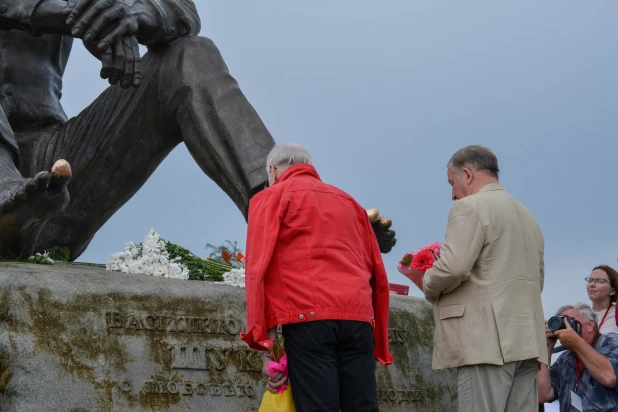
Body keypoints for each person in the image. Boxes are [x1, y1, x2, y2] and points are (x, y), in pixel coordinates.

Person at [240, 144, 393, 412]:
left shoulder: (270, 197)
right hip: (358, 318)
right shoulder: (349, 202)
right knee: (363, 406)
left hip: (309, 318)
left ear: (273, 171)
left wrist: (267, 349)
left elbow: (258, 271)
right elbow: (374, 268)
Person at [422, 145, 547, 412]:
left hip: (486, 342)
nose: (453, 194)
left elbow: (453, 268)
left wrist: (427, 280)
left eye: (452, 183)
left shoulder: (470, 207)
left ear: (467, 174)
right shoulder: (529, 217)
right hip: (527, 341)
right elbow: (539, 281)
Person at [537, 302, 618, 411]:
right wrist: (547, 346)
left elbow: (609, 377)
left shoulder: (610, 341)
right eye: (562, 324)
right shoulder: (566, 358)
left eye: (569, 322)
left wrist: (576, 342)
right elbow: (543, 394)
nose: (566, 328)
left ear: (590, 325)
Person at [586, 265, 618, 335]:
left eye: (600, 281)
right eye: (590, 280)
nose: (592, 284)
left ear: (613, 290)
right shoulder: (581, 315)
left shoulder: (615, 314)